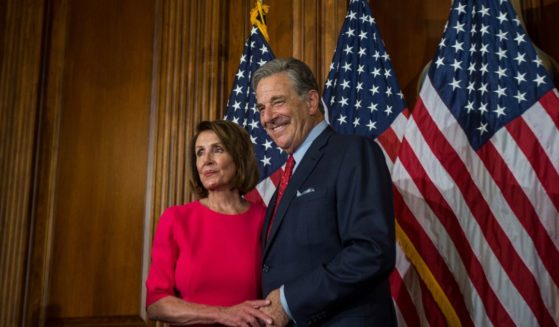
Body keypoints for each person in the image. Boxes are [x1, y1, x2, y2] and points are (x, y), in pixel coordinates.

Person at [253, 58, 396, 326]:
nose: (267, 117)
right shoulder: (287, 178)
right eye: (261, 107)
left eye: (278, 102)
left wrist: (288, 301)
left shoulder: (352, 152)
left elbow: (371, 250)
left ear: (311, 102)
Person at [145, 120, 273, 326]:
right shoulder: (176, 219)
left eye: (218, 150)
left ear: (238, 157)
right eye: (200, 153)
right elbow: (156, 303)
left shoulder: (266, 220)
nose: (207, 160)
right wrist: (223, 313)